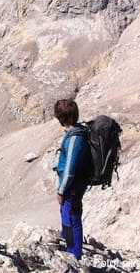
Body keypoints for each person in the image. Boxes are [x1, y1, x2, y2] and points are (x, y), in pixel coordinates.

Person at [54, 99, 90, 260]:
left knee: (73, 218)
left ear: (63, 118)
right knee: (67, 215)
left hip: (72, 186)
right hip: (73, 185)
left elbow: (69, 170)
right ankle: (70, 250)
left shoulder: (75, 138)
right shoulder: (75, 132)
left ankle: (75, 256)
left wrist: (61, 190)